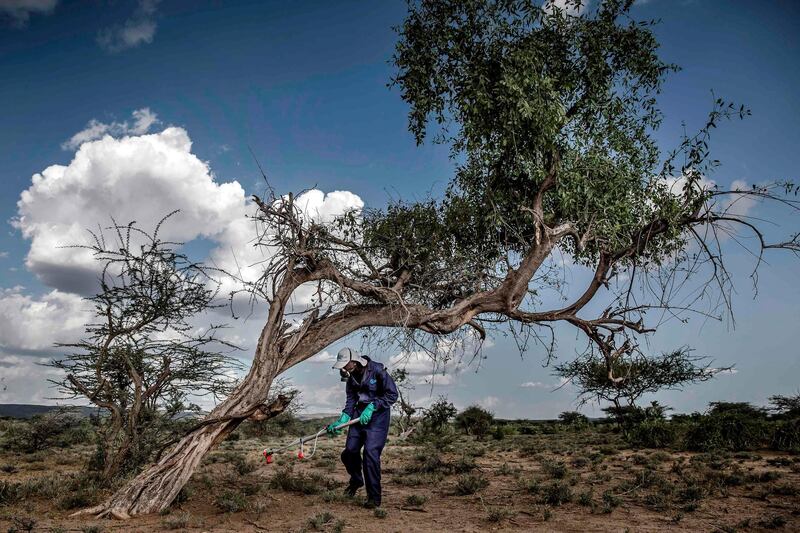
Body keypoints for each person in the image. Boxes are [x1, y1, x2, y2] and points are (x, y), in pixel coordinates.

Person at [326, 347, 398, 508]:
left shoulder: (378, 370)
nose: (345, 368)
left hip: (377, 418)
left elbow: (392, 394)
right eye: (343, 366)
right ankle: (357, 479)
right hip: (358, 417)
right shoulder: (351, 379)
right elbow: (351, 399)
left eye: (346, 364)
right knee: (349, 452)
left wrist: (373, 405)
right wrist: (343, 418)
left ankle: (374, 498)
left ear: (355, 360)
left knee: (370, 454)